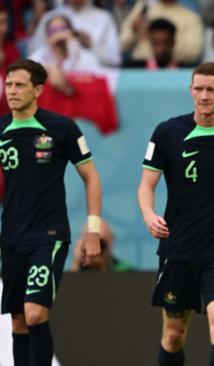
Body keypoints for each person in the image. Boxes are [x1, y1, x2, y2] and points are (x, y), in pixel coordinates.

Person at [137, 62, 214, 366]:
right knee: (174, 334)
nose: (205, 96)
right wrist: (149, 215)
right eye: (199, 89)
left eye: (212, 89)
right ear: (190, 90)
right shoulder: (167, 132)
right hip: (178, 246)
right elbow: (146, 185)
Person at [0, 59, 102, 366]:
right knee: (19, 321)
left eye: (19, 85)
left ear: (38, 89)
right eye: (8, 84)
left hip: (49, 235)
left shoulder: (61, 128)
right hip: (12, 237)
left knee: (35, 312)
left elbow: (91, 177)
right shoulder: (2, 129)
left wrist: (93, 229)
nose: (12, 91)